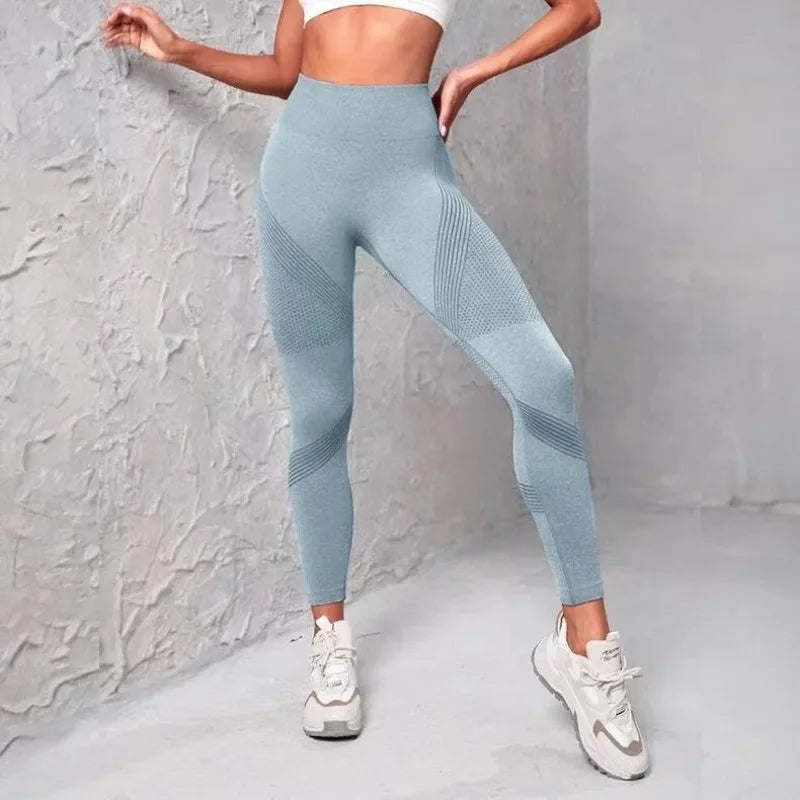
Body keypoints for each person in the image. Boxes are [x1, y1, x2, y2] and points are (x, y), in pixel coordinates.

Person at [100, 0, 649, 780]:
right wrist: (180, 49)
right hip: (300, 176)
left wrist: (476, 70)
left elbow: (580, 10)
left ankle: (582, 645)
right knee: (320, 414)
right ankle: (329, 642)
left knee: (542, 377)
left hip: (408, 178)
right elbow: (287, 72)